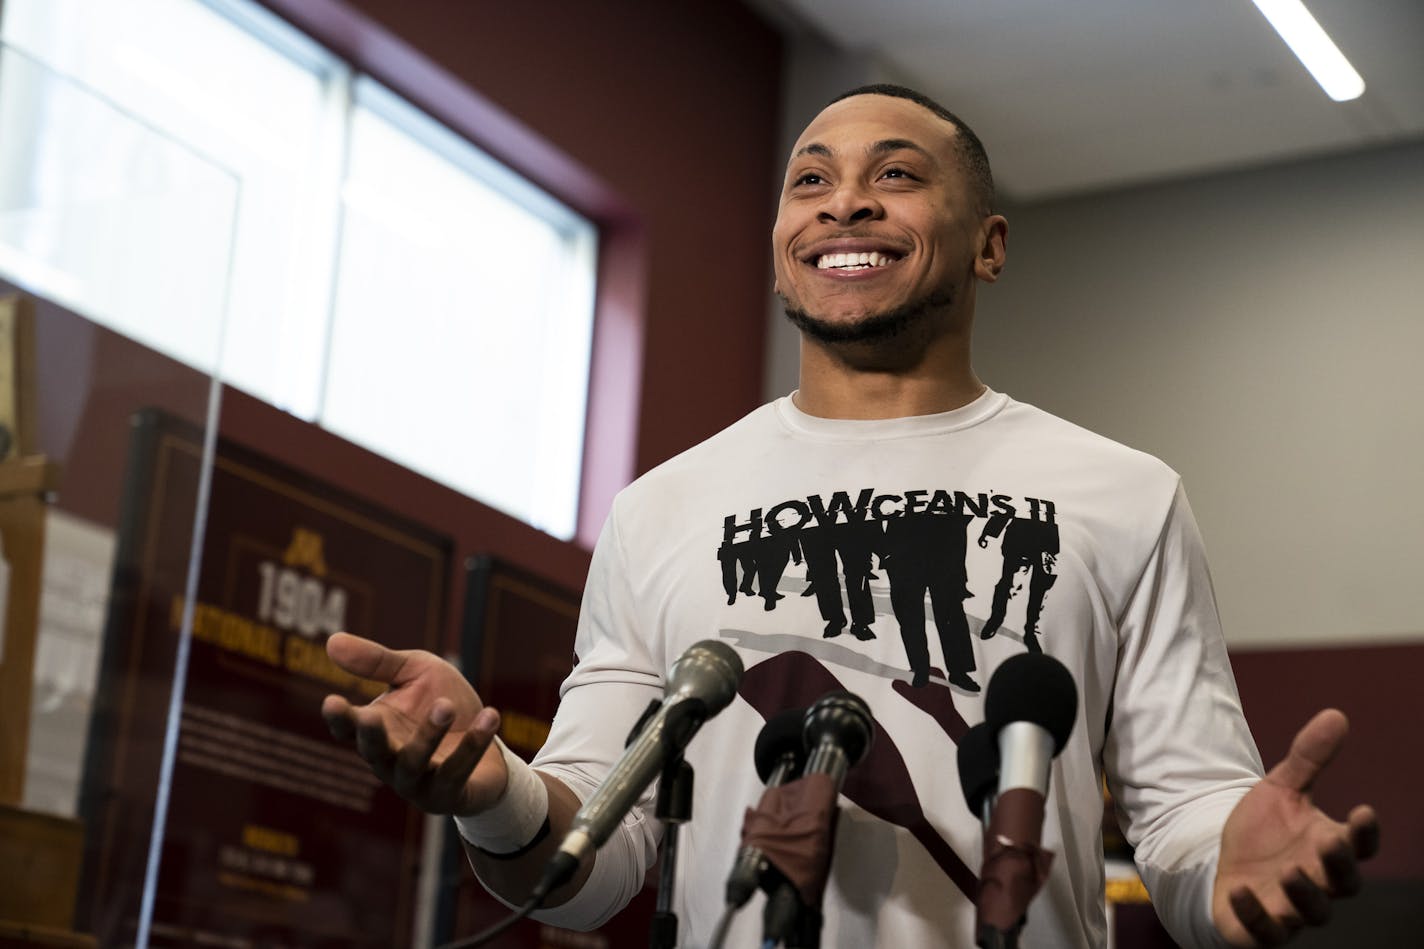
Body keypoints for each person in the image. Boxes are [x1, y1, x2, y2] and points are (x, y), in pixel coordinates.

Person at [321, 84, 1379, 948]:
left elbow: (1186, 819)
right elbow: (596, 852)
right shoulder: (660, 507)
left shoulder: (1121, 494)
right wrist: (489, 788)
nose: (843, 204)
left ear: (988, 244)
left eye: (896, 176)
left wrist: (1230, 872)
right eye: (810, 181)